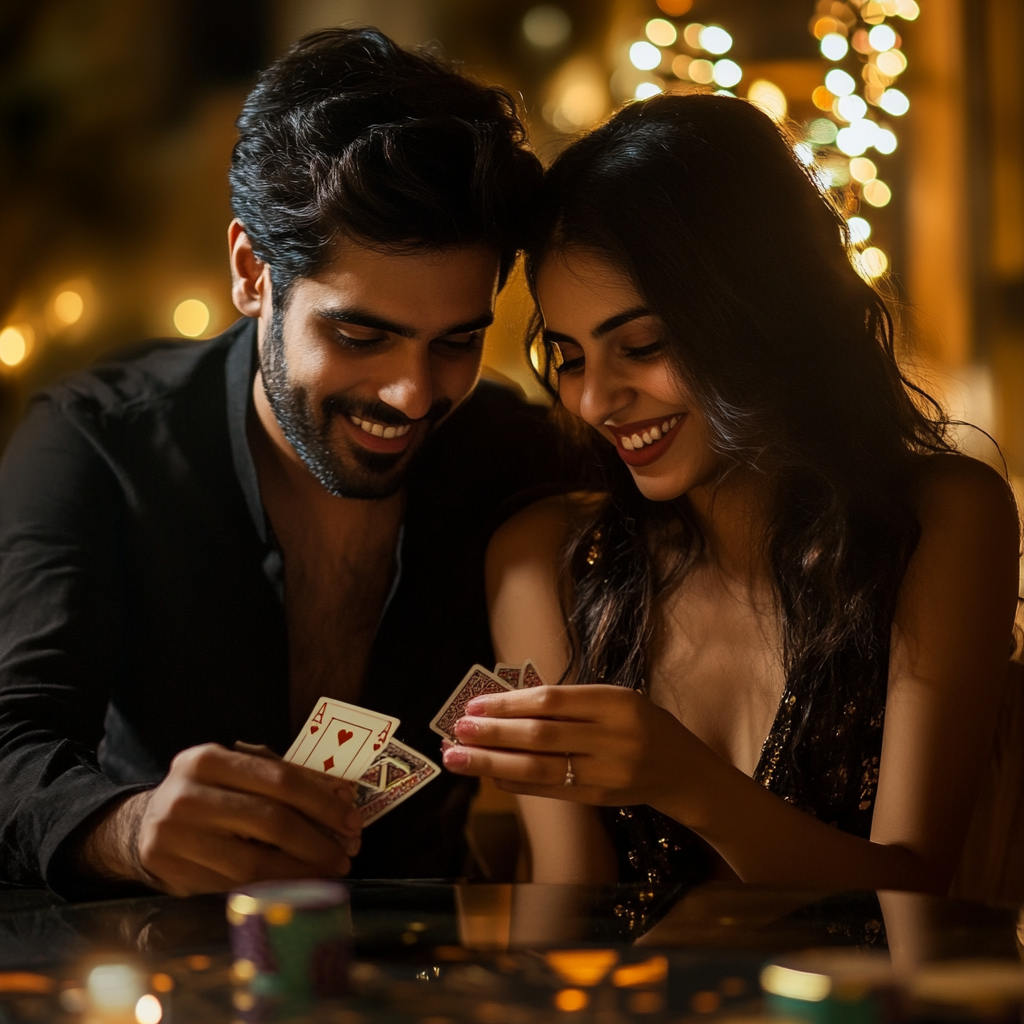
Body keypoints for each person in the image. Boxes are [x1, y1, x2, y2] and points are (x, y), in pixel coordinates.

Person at [0, 27, 561, 897]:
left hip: (415, 978)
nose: (413, 394)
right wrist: (132, 828)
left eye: (455, 342)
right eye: (359, 334)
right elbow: (10, 746)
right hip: (158, 970)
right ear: (251, 273)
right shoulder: (94, 445)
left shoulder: (517, 460)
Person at [441, 95, 1020, 897]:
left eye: (641, 346)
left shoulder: (943, 517)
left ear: (757, 313)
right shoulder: (546, 562)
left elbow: (913, 897)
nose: (593, 400)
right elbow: (567, 908)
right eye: (569, 356)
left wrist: (687, 782)